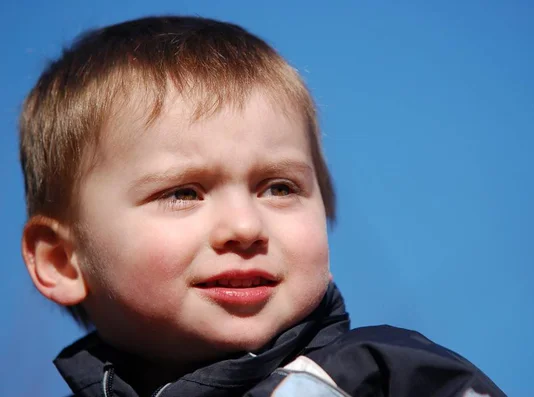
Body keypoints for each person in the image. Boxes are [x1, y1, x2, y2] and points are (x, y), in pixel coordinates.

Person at [19, 15, 505, 397]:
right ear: (62, 261)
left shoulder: (387, 378)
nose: (246, 226)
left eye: (279, 188)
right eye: (183, 193)